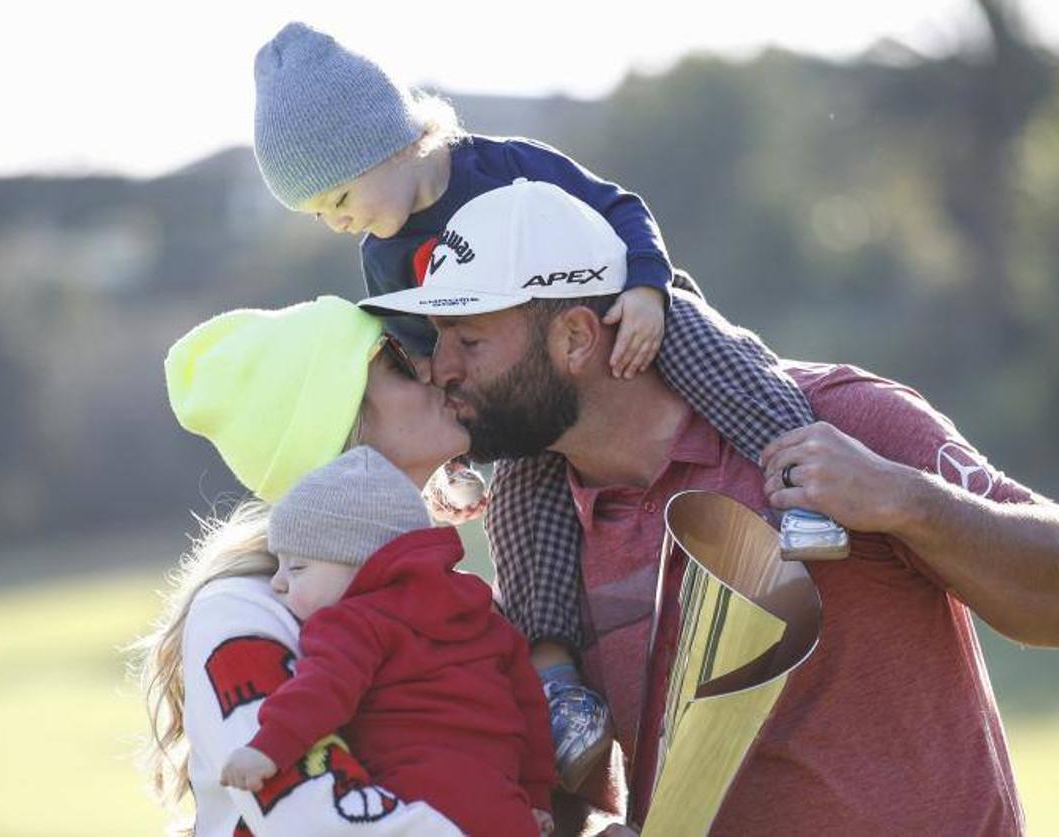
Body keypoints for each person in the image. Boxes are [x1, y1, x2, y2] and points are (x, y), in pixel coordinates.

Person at [360, 180, 1059, 835]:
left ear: (576, 337)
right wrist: (590, 828)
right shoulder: (537, 539)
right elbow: (558, 786)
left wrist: (903, 498)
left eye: (470, 339)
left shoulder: (840, 419)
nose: (443, 367)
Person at [250, 21, 847, 789]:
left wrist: (644, 287)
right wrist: (458, 456)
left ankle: (808, 484)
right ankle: (558, 685)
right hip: (525, 390)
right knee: (522, 512)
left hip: (620, 313)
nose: (337, 221)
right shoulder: (382, 255)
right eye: (319, 214)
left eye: (338, 196)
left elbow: (618, 205)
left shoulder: (505, 167)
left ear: (386, 145)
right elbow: (431, 362)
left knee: (716, 360)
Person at [134, 296, 532, 836]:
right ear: (343, 426)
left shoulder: (450, 596)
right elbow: (316, 819)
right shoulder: (243, 608)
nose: (433, 369)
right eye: (396, 362)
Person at [217, 445, 558, 837]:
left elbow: (323, 689)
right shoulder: (483, 617)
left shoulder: (353, 622)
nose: (277, 583)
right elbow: (531, 710)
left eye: (297, 567)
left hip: (415, 803)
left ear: (364, 562)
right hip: (504, 809)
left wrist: (268, 748)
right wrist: (535, 798)